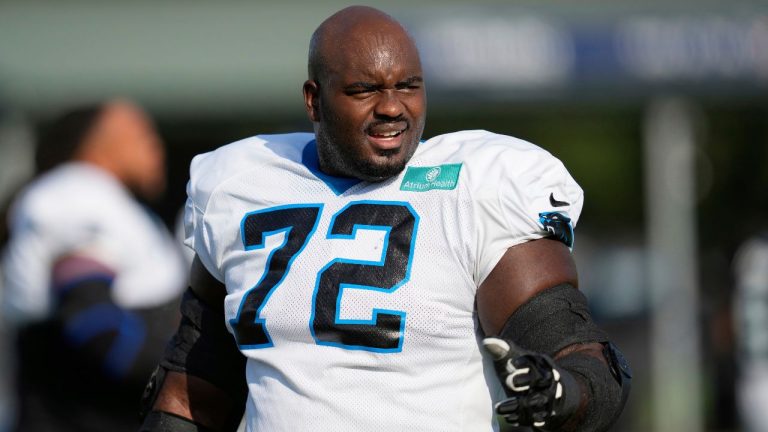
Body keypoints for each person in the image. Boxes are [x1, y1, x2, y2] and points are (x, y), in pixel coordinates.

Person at [140, 6, 630, 432]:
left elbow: (580, 354)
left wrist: (562, 393)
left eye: (408, 86)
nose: (392, 108)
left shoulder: (475, 190)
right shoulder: (239, 185)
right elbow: (195, 388)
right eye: (364, 90)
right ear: (314, 98)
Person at [1, 100, 188, 432]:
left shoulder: (112, 201)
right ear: (98, 142)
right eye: (141, 134)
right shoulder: (75, 192)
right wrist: (188, 375)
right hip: (78, 416)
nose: (156, 146)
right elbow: (94, 321)